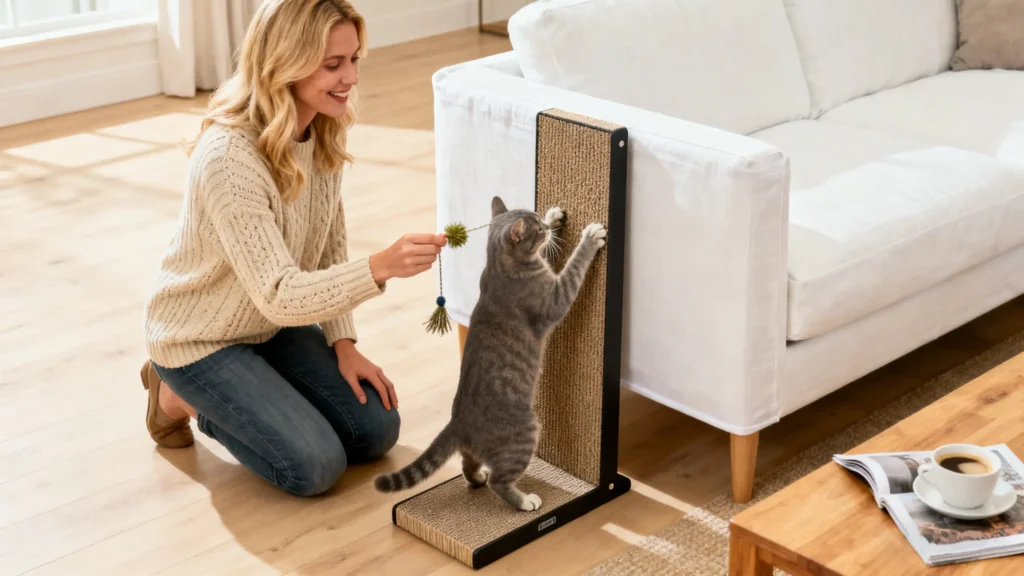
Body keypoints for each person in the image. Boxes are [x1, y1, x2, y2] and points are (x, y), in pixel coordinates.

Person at [139, 0, 446, 497]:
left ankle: (246, 385)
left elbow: (328, 244)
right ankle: (176, 394)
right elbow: (279, 292)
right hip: (200, 338)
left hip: (269, 324)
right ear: (286, 63)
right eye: (333, 65)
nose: (351, 77)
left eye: (354, 59)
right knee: (313, 467)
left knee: (375, 432)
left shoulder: (322, 126)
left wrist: (344, 344)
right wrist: (381, 267)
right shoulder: (230, 158)